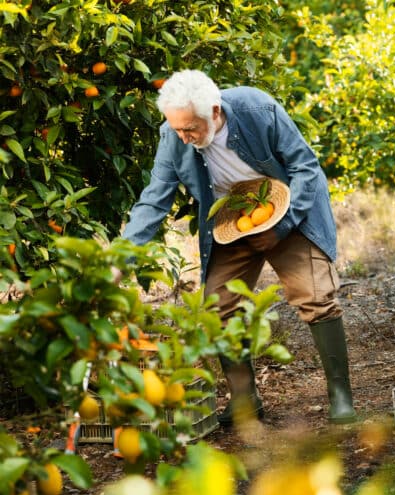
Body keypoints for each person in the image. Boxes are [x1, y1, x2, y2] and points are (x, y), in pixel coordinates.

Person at [121, 69, 357, 425]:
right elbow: (154, 200)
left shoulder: (257, 110)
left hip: (286, 207)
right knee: (219, 306)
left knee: (315, 295)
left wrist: (284, 225)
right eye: (177, 129)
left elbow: (306, 167)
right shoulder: (173, 136)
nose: (184, 138)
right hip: (234, 221)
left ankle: (341, 395)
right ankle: (245, 399)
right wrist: (118, 258)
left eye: (190, 129)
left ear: (214, 112)